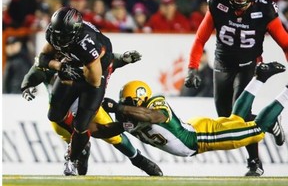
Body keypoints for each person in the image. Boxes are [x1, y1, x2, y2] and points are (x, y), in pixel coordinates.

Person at [91, 62, 286, 176]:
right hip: (194, 129)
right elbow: (109, 131)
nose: (126, 107)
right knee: (237, 119)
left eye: (129, 102)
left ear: (141, 98)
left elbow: (155, 117)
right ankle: (259, 77)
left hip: (200, 138)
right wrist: (83, 125)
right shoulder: (130, 116)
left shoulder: (154, 104)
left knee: (257, 129)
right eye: (124, 102)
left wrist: (118, 107)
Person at [33, 6, 161, 176]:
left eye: (63, 37)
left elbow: (95, 77)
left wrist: (118, 60)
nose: (58, 41)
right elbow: (39, 63)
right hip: (67, 95)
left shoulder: (86, 47)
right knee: (56, 118)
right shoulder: (56, 39)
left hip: (89, 81)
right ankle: (80, 149)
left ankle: (138, 159)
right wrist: (58, 67)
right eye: (57, 36)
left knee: (94, 130)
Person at [184, 0, 288, 176]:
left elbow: (285, 43)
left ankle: (254, 162)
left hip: (249, 66)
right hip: (222, 64)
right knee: (225, 118)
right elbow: (200, 38)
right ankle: (269, 121)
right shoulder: (218, 2)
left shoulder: (265, 9)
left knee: (240, 114)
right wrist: (192, 68)